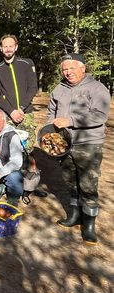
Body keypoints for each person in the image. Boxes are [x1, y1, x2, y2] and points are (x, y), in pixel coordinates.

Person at [48, 53, 111, 245]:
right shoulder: (59, 89)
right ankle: (75, 216)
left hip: (88, 143)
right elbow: (51, 111)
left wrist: (70, 121)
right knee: (70, 181)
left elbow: (100, 115)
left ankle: (89, 225)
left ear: (83, 68)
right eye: (65, 69)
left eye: (72, 68)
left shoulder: (96, 88)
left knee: (88, 185)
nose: (68, 72)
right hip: (64, 144)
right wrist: (49, 128)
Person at [0, 34, 38, 151]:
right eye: (5, 46)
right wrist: (11, 111)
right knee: (8, 149)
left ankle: (28, 168)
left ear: (16, 47)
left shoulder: (27, 64)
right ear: (1, 48)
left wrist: (21, 108)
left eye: (11, 46)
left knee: (27, 147)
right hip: (8, 115)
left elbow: (33, 88)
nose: (8, 49)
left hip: (26, 113)